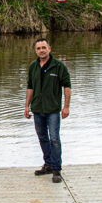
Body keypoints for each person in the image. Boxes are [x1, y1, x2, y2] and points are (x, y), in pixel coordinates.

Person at [24, 37, 71, 183]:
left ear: (49, 49)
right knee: (42, 138)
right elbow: (30, 87)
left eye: (44, 48)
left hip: (53, 110)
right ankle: (48, 164)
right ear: (35, 51)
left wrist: (66, 107)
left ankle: (56, 169)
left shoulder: (59, 66)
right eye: (38, 48)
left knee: (54, 139)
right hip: (37, 109)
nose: (41, 50)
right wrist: (26, 106)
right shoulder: (33, 66)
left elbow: (67, 87)